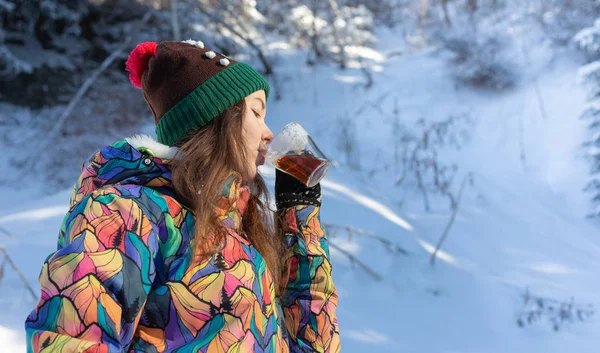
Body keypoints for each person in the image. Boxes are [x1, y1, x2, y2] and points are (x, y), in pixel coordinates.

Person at [24, 40, 340, 353]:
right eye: (257, 113)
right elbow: (69, 340)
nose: (269, 133)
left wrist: (300, 214)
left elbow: (314, 347)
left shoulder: (238, 234)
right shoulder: (127, 213)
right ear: (217, 120)